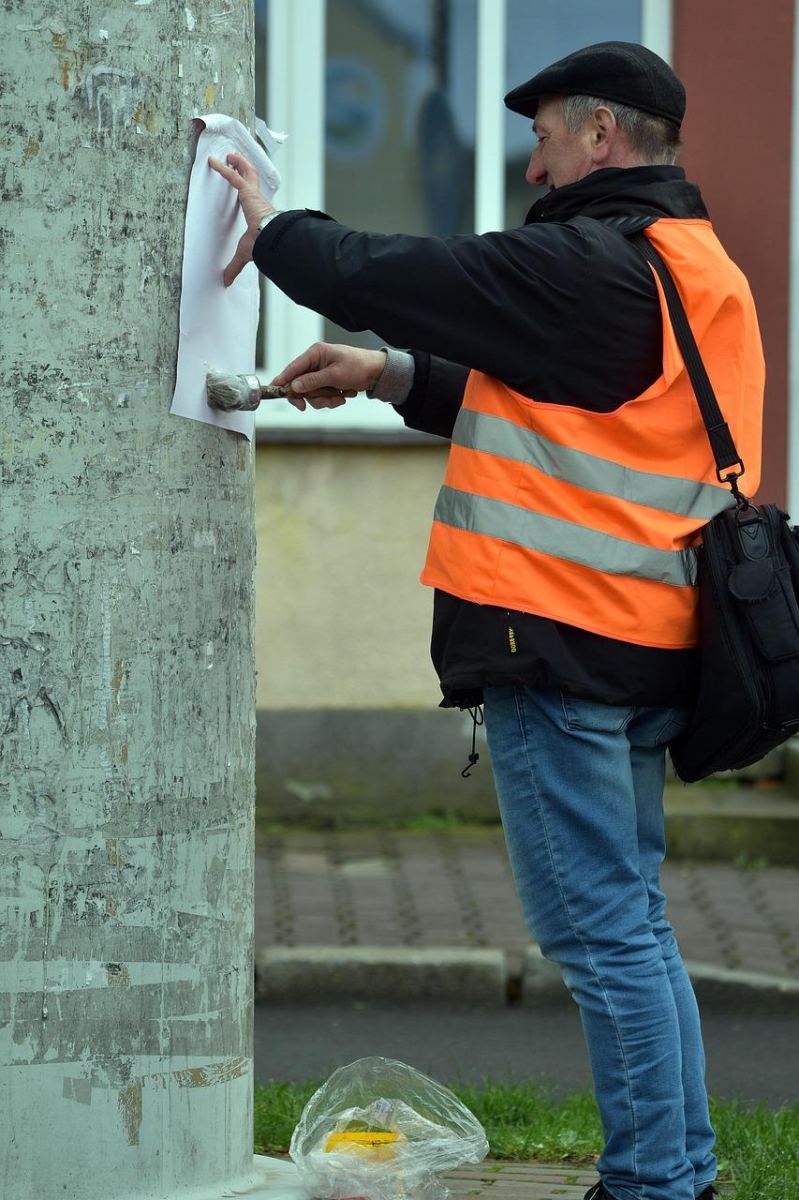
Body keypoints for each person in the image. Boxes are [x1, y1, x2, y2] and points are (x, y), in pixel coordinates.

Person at [210, 40, 764, 1200]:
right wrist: (387, 376)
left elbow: (421, 273)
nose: (534, 159)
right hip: (645, 644)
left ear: (601, 136)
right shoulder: (688, 268)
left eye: (546, 134)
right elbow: (572, 415)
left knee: (600, 937)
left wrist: (278, 231)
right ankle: (682, 1171)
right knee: (633, 929)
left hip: (561, 646)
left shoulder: (595, 262)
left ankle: (652, 1184)